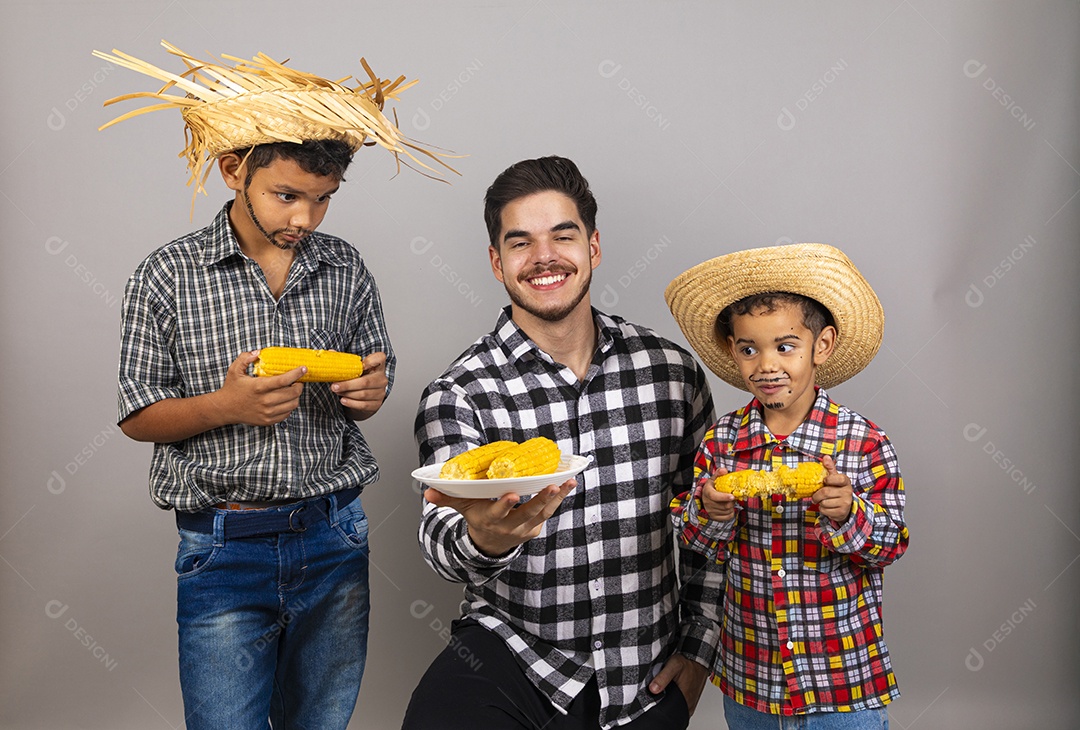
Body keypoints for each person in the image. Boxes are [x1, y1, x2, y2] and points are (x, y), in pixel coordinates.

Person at [104, 42, 454, 729]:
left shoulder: (344, 268)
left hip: (334, 535)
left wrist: (370, 392)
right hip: (224, 546)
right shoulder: (166, 275)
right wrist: (225, 406)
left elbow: (372, 375)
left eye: (323, 201)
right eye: (287, 196)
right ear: (235, 170)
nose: (305, 219)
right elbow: (136, 414)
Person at [403, 156, 723, 730]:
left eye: (563, 236)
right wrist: (485, 538)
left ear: (593, 247)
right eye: (521, 242)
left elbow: (711, 522)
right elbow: (438, 540)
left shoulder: (671, 373)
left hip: (644, 677)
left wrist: (699, 649)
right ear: (497, 262)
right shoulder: (461, 393)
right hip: (518, 658)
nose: (544, 257)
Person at [664, 243, 910, 729]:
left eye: (785, 346)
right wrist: (709, 513)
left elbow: (891, 545)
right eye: (749, 349)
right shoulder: (723, 440)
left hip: (842, 680)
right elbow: (694, 542)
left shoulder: (863, 441)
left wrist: (849, 513)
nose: (766, 365)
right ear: (733, 352)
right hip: (752, 679)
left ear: (822, 347)